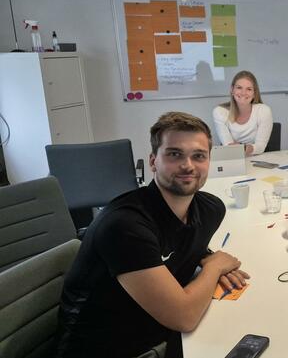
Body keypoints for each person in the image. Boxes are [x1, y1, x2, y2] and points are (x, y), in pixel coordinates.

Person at [55, 112, 249, 358]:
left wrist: (207, 256)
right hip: (103, 349)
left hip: (155, 331)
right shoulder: (124, 225)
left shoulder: (211, 209)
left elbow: (184, 246)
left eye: (199, 156)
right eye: (174, 154)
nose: (188, 165)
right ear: (153, 161)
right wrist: (215, 267)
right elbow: (185, 316)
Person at [212, 70, 274, 155]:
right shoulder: (220, 112)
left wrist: (243, 149)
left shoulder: (264, 111)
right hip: (233, 158)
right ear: (232, 90)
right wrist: (243, 148)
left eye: (249, 89)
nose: (243, 93)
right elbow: (228, 146)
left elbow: (260, 147)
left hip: (256, 158)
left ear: (254, 93)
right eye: (239, 88)